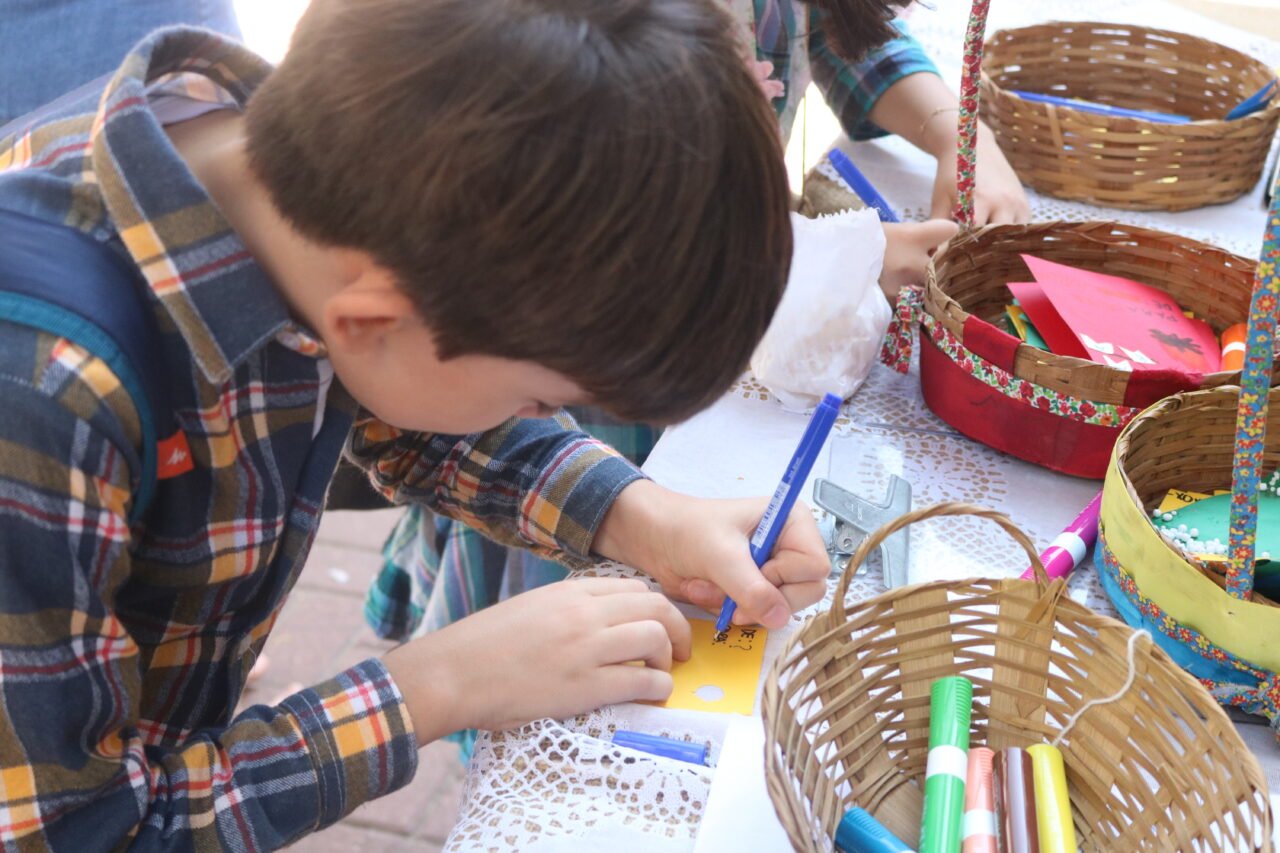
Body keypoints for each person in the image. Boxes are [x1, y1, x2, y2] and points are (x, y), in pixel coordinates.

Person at [0, 0, 830, 847]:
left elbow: (407, 404)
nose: (533, 415)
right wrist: (437, 685)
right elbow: (86, 830)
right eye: (538, 399)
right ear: (370, 319)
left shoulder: (322, 184)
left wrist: (642, 517)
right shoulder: (42, 396)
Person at [368, 0, 1030, 687]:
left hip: (585, 398)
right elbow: (447, 429)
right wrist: (812, 259)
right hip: (577, 388)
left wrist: (951, 129)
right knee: (552, 637)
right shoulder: (508, 373)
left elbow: (846, 38)